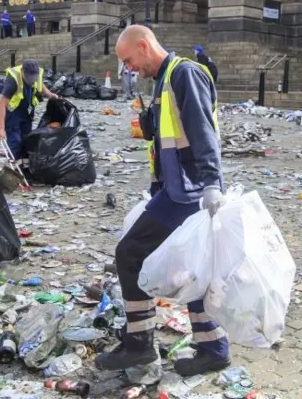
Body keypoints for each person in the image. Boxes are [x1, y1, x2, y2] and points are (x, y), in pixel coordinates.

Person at [95, 25, 229, 377]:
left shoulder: (184, 73)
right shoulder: (166, 78)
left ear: (143, 45)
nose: (129, 69)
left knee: (130, 252)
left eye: (129, 60)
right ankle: (213, 347)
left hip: (189, 193)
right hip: (176, 189)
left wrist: (212, 182)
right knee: (192, 267)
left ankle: (139, 344)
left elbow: (203, 131)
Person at [0, 60, 58, 175]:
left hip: (27, 112)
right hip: (13, 113)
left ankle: (25, 171)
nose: (31, 80)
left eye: (34, 77)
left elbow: (40, 85)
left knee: (26, 140)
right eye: (29, 77)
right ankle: (12, 173)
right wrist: (0, 128)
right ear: (23, 72)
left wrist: (49, 94)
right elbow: (1, 105)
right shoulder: (13, 80)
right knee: (15, 142)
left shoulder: (36, 74)